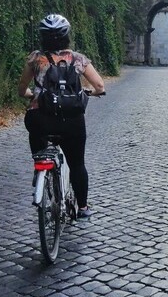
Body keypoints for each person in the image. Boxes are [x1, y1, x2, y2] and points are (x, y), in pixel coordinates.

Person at [17, 14, 105, 218]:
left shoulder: (34, 59)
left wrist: (32, 95)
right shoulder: (78, 59)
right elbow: (99, 86)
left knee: (37, 139)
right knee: (77, 164)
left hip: (40, 119)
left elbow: (22, 89)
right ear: (67, 36)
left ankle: (40, 171)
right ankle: (82, 208)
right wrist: (88, 93)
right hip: (71, 121)